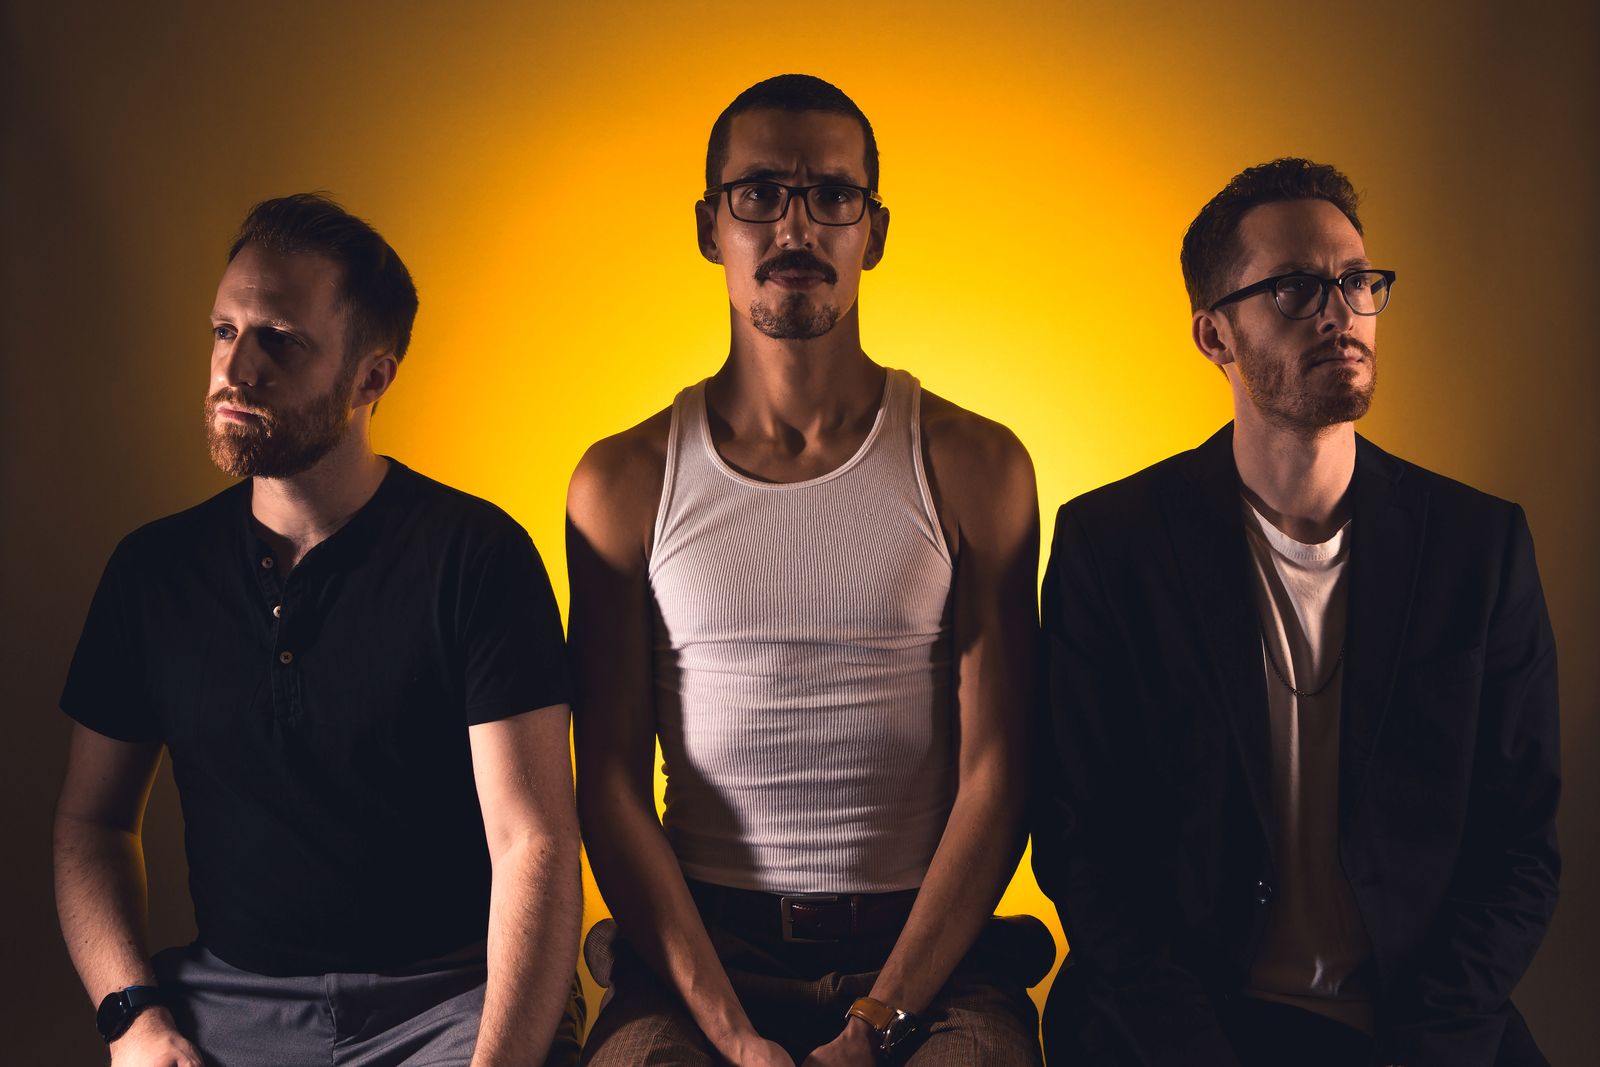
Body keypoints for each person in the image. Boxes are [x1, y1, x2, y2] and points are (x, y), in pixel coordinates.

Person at [1032, 158, 1560, 1067]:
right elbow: (1087, 851)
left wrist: (1424, 1048)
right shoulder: (1112, 547)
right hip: (1182, 1028)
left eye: (1357, 282)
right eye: (1294, 288)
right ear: (1214, 335)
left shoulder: (1480, 546)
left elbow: (1521, 850)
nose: (1339, 313)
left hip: (1417, 1027)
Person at [567, 74, 1046, 1066]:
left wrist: (876, 1022)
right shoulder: (622, 481)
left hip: (927, 957)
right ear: (710, 227)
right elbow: (608, 785)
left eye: (832, 195)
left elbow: (1000, 773)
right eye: (759, 194)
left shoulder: (974, 463)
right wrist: (732, 1035)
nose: (795, 226)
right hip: (703, 952)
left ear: (875, 230)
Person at [53, 193, 583, 1066]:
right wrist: (135, 1020)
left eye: (280, 341)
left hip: (452, 1001)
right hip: (228, 1004)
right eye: (225, 332)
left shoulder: (476, 557)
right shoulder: (153, 571)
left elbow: (536, 843)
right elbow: (92, 822)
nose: (236, 368)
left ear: (373, 378)